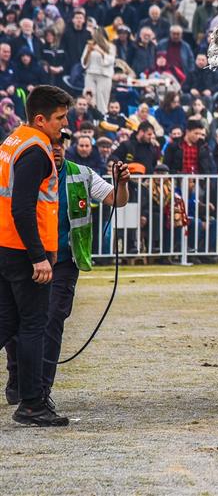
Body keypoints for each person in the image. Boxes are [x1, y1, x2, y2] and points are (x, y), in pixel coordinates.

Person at [5, 135, 129, 414]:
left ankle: (40, 390)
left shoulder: (80, 174)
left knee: (52, 321)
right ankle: (17, 373)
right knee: (16, 322)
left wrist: (122, 183)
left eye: (61, 143)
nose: (56, 148)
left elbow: (116, 200)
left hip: (63, 260)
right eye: (51, 144)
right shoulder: (24, 170)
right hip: (25, 257)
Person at [0, 85, 72, 426]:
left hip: (5, 246)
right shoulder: (36, 150)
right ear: (40, 119)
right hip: (22, 250)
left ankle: (30, 401)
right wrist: (38, 256)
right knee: (32, 326)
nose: (64, 125)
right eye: (59, 118)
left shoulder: (14, 140)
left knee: (6, 323)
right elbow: (24, 207)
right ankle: (31, 404)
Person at [81, 28, 116, 114]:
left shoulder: (111, 46)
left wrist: (100, 51)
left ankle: (102, 119)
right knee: (90, 97)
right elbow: (84, 62)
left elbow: (111, 61)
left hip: (104, 75)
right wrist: (89, 51)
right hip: (91, 74)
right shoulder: (89, 45)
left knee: (102, 100)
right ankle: (90, 117)